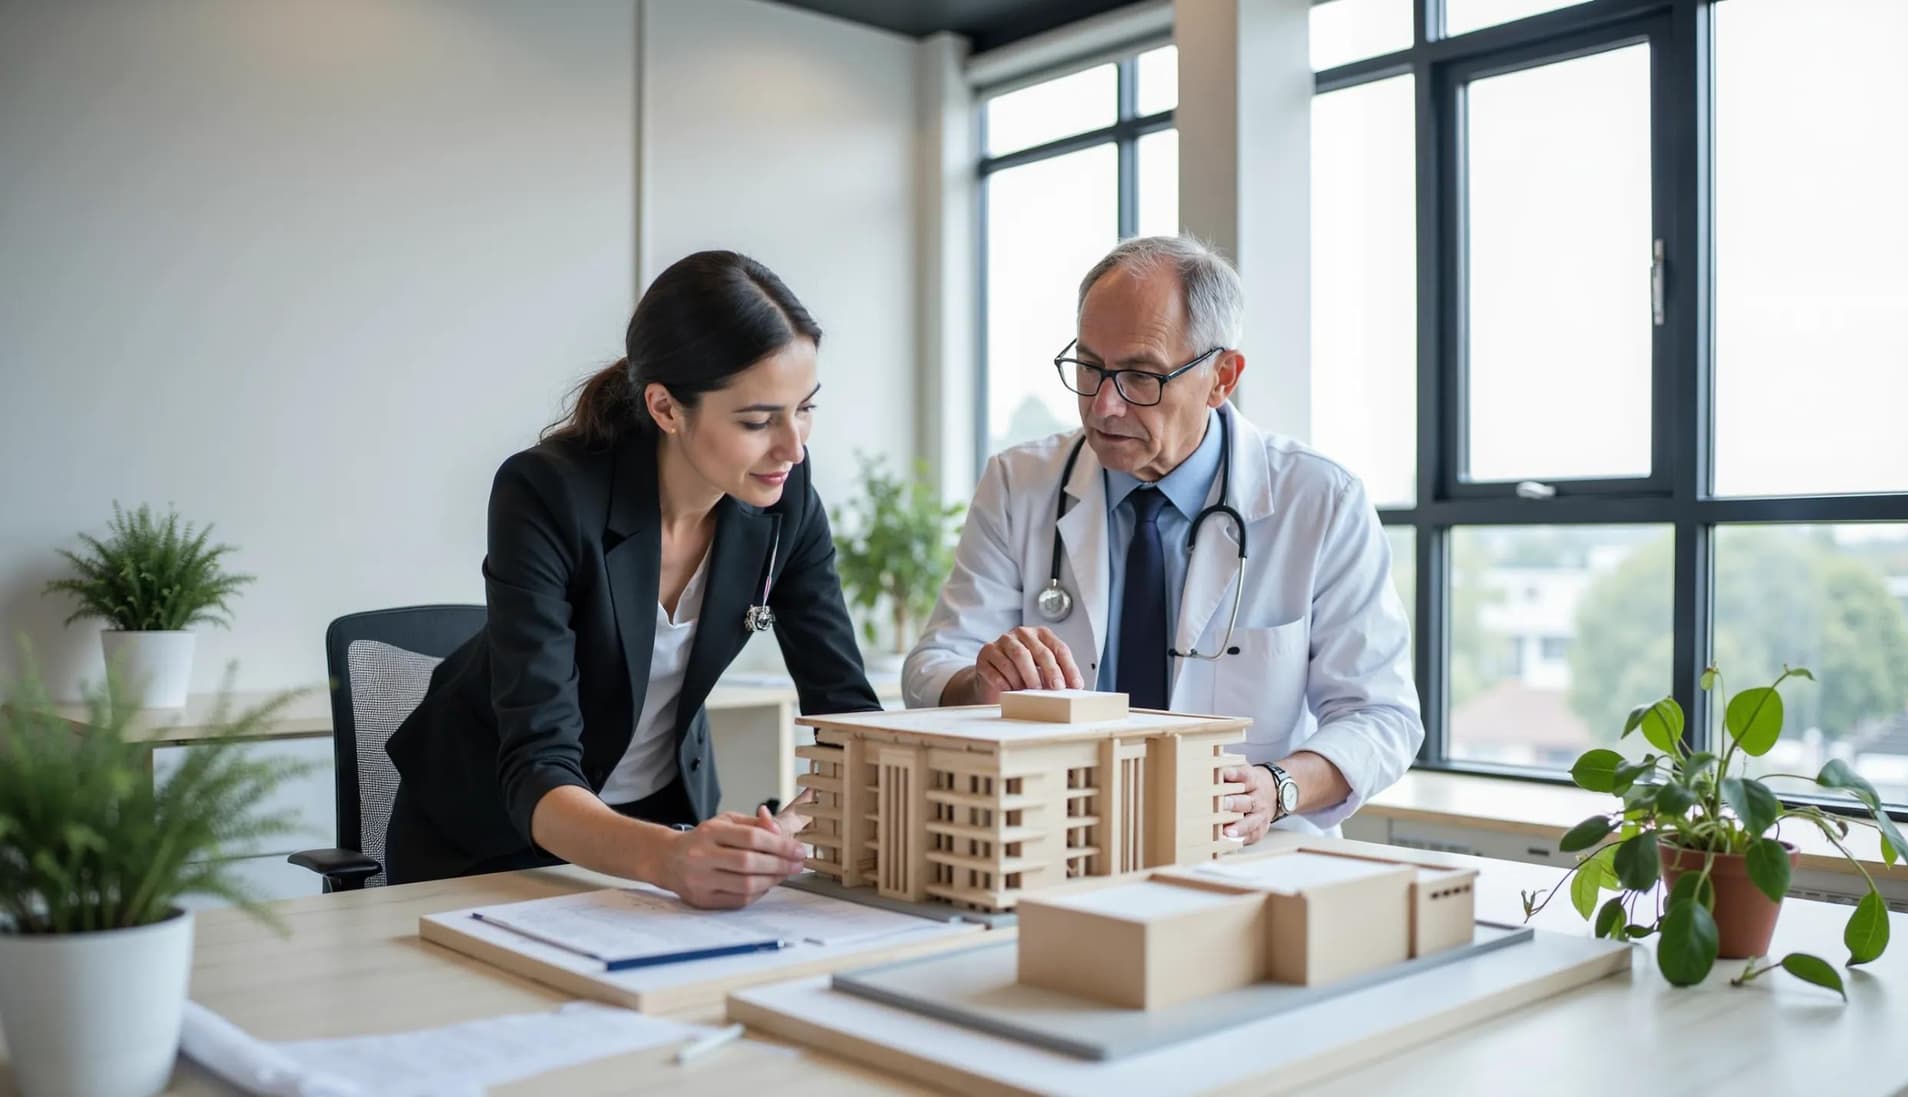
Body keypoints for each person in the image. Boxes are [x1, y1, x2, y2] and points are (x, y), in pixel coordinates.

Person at [385, 250, 878, 906]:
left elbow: (850, 720)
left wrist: (789, 833)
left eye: (805, 409)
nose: (793, 446)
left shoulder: (785, 497)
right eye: (758, 420)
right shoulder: (547, 493)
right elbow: (538, 763)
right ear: (666, 408)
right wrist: (669, 858)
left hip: (660, 826)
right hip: (491, 843)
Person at [904, 235, 1421, 846]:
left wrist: (1277, 787)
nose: (1104, 406)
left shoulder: (1320, 501)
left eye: (1139, 376)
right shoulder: (1021, 483)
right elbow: (931, 666)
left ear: (1221, 377)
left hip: (1247, 849)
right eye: (1089, 368)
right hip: (1059, 838)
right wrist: (981, 684)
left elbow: (1381, 715)